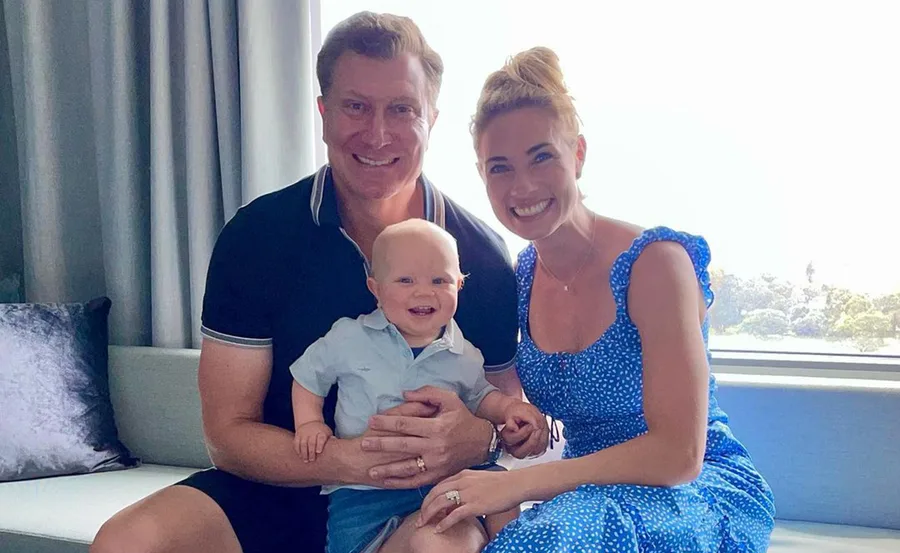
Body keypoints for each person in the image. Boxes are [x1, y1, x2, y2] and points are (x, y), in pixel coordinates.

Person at [90, 12, 522, 553]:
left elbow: (510, 423)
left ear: (431, 119)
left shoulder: (481, 256)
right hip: (276, 486)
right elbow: (227, 435)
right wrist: (349, 461)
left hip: (416, 499)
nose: (378, 133)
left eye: (402, 109)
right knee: (126, 542)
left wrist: (481, 438)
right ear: (323, 113)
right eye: (355, 106)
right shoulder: (256, 236)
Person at [416, 46, 777, 552]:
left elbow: (679, 454)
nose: (522, 186)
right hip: (586, 493)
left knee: (545, 539)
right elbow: (505, 399)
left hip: (694, 487)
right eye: (500, 168)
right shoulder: (519, 276)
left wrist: (518, 484)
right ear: (482, 176)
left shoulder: (655, 262)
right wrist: (508, 429)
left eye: (541, 157)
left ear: (578, 155)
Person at [291, 219, 548, 553]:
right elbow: (308, 378)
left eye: (439, 280)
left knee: (501, 485)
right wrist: (310, 423)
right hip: (367, 493)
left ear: (459, 285)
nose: (424, 292)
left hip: (445, 480)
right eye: (405, 280)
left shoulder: (464, 352)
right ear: (375, 288)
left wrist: (511, 409)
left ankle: (509, 545)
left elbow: (481, 396)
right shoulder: (348, 337)